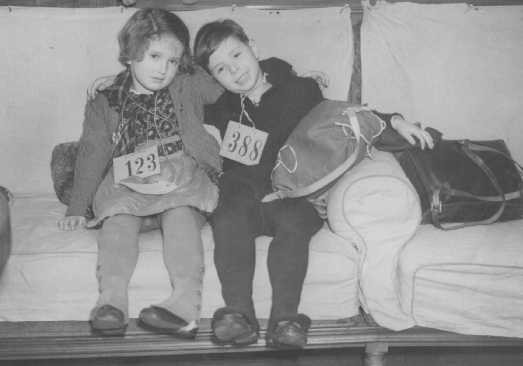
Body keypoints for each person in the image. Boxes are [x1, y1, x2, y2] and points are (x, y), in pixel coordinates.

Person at [193, 19, 434, 349]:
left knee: (296, 222)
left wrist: (393, 121)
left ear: (253, 46)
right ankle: (238, 315)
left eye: (237, 55)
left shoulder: (300, 90)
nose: (234, 71)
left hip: (291, 195)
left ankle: (285, 320)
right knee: (228, 215)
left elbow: (341, 119)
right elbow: (175, 89)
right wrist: (122, 82)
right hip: (242, 198)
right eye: (221, 68)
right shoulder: (218, 108)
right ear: (213, 77)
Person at [57, 8, 223, 337]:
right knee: (117, 222)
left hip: (182, 177)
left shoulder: (189, 84)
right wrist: (77, 207)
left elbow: (229, 84)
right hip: (129, 182)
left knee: (180, 216)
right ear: (130, 54)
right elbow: (93, 153)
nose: (163, 69)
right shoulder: (107, 99)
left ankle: (185, 306)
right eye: (153, 56)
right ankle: (112, 303)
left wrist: (278, 73)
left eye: (173, 60)